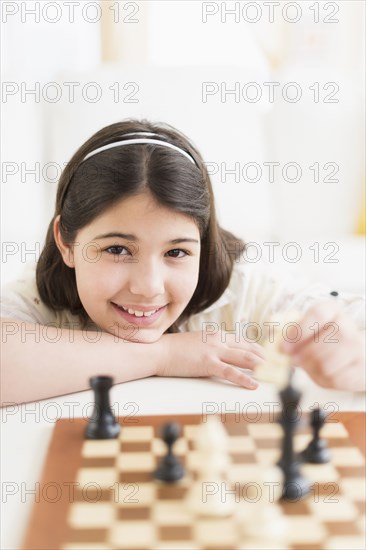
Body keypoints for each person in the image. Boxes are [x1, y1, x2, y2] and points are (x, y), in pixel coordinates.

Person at [1, 120, 365, 404]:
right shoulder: (36, 302)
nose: (148, 287)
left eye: (176, 252)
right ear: (66, 241)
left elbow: (345, 323)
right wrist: (163, 355)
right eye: (117, 249)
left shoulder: (249, 288)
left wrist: (350, 352)